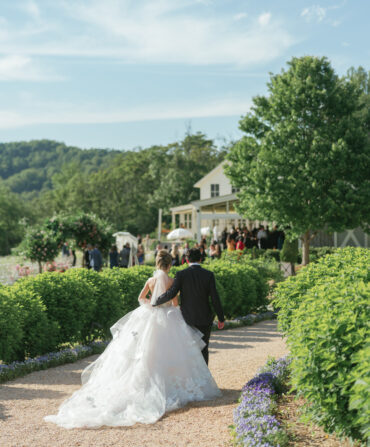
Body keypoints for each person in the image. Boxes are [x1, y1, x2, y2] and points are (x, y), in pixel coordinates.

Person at [44, 250, 221, 428]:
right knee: (178, 351)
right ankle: (185, 383)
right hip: (171, 317)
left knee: (145, 351)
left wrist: (151, 304)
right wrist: (174, 308)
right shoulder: (174, 280)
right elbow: (175, 302)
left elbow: (140, 298)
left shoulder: (152, 280)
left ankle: (145, 383)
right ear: (169, 265)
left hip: (150, 315)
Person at [154, 248, 225, 365]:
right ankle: (204, 378)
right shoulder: (209, 275)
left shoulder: (181, 274)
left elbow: (171, 293)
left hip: (187, 318)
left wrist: (156, 301)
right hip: (205, 318)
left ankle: (193, 381)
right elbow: (215, 298)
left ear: (186, 260)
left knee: (188, 350)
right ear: (201, 259)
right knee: (204, 349)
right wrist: (221, 318)